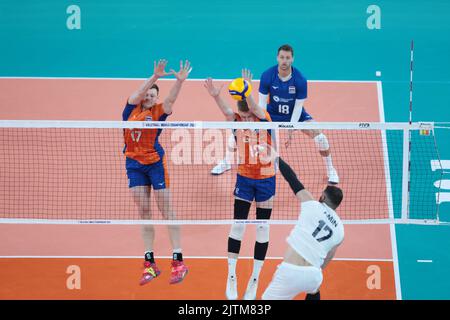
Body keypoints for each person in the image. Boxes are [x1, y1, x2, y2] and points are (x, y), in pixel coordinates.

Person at [211, 44, 339, 185]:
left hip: (295, 115)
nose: (284, 61)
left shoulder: (300, 80)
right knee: (236, 134)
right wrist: (261, 124)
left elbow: (298, 107)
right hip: (271, 114)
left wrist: (291, 128)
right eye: (282, 57)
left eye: (288, 58)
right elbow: (261, 104)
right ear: (277, 58)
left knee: (321, 138)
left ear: (292, 59)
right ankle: (226, 162)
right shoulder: (267, 75)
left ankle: (330, 169)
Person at [204, 69, 277, 300]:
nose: (245, 120)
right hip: (244, 179)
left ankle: (255, 278)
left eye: (248, 117)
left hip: (266, 179)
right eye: (242, 116)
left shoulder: (263, 118)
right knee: (238, 226)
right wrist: (216, 95)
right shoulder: (235, 121)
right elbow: (227, 110)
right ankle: (232, 275)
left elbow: (254, 107)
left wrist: (247, 88)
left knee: (263, 228)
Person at [122, 59, 192, 285]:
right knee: (143, 210)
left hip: (155, 164)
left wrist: (179, 83)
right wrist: (154, 78)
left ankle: (178, 262)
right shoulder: (130, 109)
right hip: (134, 165)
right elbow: (136, 94)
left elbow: (170, 100)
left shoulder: (159, 111)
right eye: (147, 94)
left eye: (153, 95)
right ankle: (150, 264)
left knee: (165, 209)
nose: (149, 97)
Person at [261, 157, 344, 300]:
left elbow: (292, 179)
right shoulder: (340, 231)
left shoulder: (312, 205)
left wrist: (275, 157)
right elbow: (329, 257)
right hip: (313, 274)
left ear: (323, 196)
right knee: (314, 289)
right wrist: (315, 272)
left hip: (290, 272)